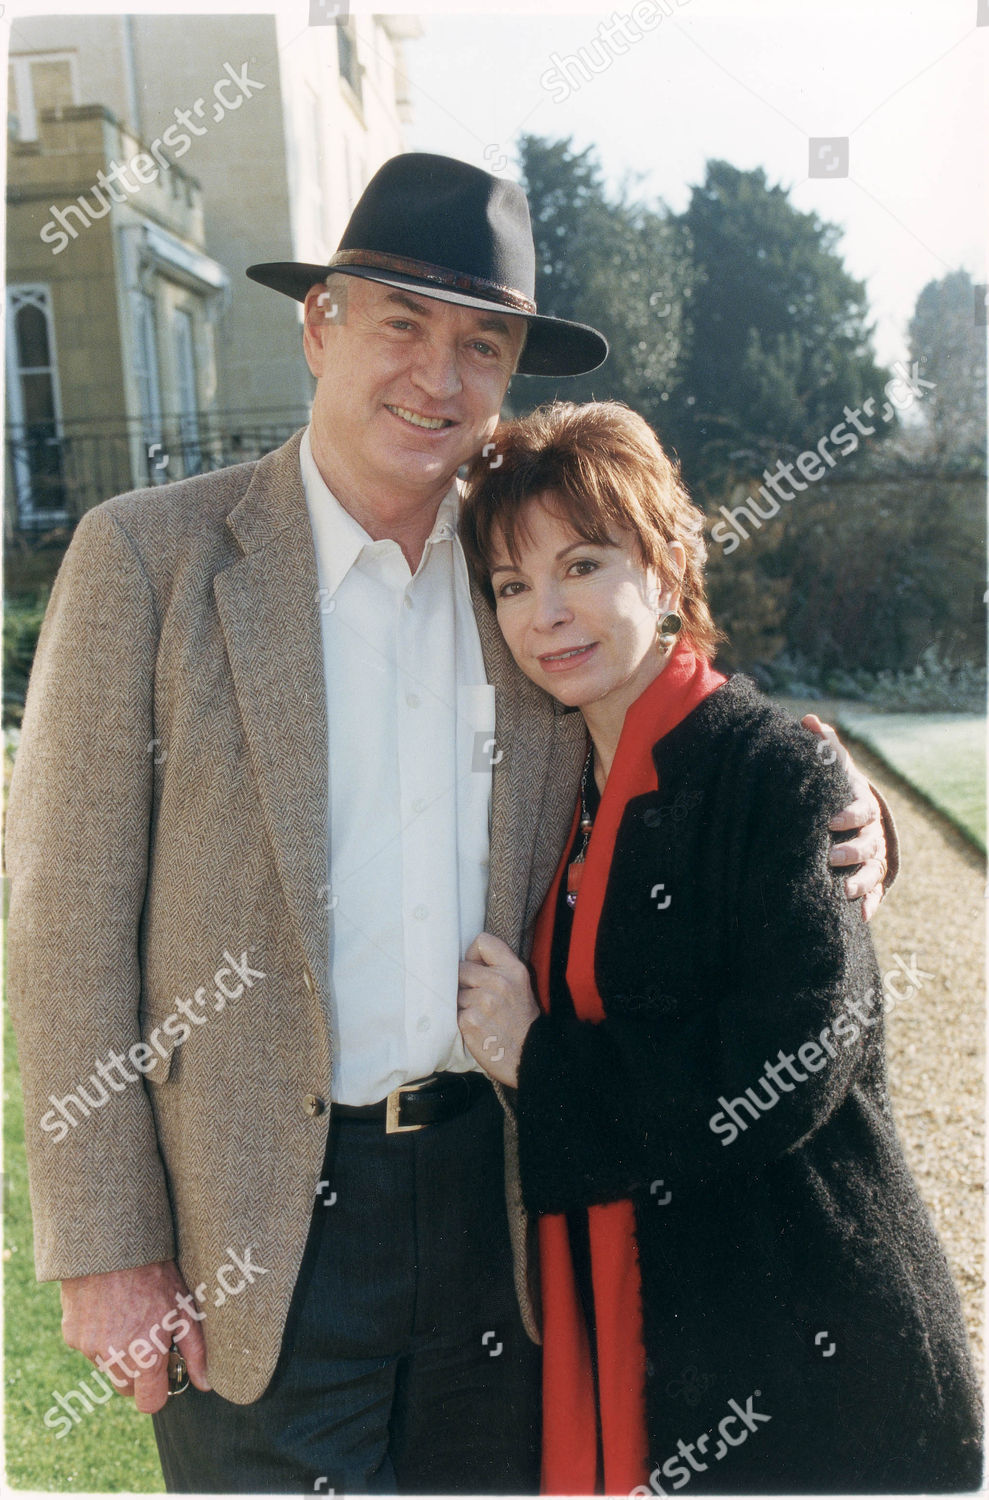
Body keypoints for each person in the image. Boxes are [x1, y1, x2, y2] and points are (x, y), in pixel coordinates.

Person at [6, 155, 892, 1495]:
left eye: (480, 344)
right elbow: (63, 918)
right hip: (253, 1230)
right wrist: (108, 1248)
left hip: (511, 1210)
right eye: (401, 323)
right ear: (319, 328)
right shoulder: (151, 559)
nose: (438, 374)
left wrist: (840, 798)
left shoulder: (520, 573)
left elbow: (683, 718)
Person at [456, 399, 982, 1495]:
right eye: (510, 584)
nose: (544, 612)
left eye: (582, 563)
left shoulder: (773, 771)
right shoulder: (563, 787)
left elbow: (786, 1067)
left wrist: (536, 1057)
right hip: (619, 1325)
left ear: (665, 558)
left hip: (789, 1343)